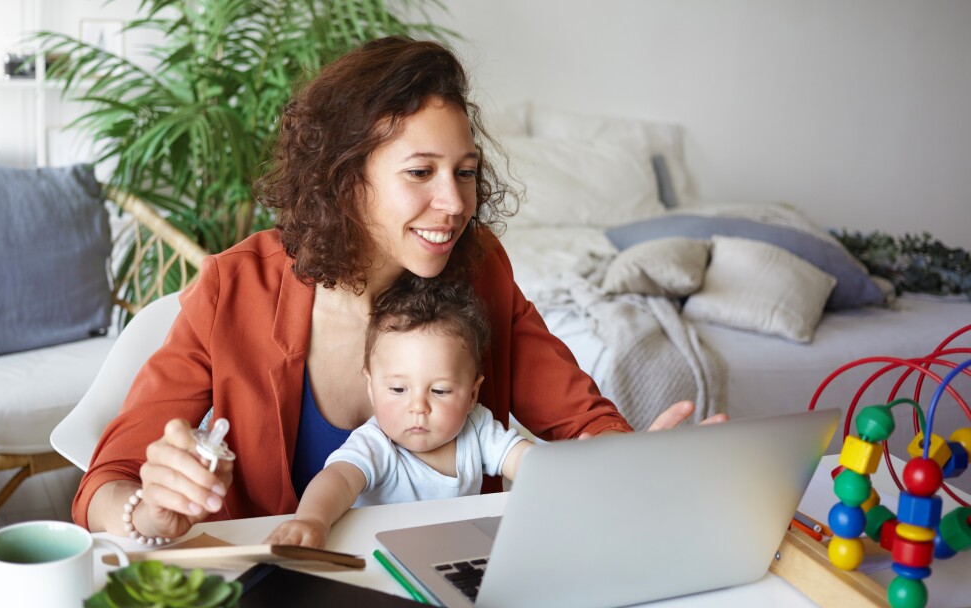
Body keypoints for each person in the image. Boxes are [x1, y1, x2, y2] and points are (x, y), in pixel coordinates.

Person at [74, 35, 723, 544]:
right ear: (345, 175)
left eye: (465, 173)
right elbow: (105, 486)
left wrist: (635, 462)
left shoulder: (482, 270)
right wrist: (149, 511)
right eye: (421, 171)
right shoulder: (235, 287)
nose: (454, 202)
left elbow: (580, 421)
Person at [265, 275, 532, 548]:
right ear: (371, 386)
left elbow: (527, 460)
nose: (418, 407)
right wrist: (312, 520)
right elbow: (338, 480)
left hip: (450, 555)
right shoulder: (377, 444)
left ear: (473, 393)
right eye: (398, 389)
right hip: (378, 558)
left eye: (439, 391)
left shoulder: (477, 428)